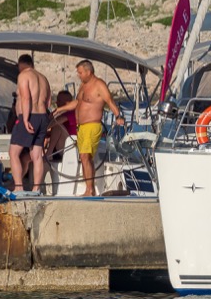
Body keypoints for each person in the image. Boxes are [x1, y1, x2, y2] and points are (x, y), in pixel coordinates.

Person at [52, 60, 125, 197]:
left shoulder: (99, 85)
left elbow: (110, 101)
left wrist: (118, 116)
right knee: (84, 157)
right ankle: (89, 189)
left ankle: (90, 190)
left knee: (85, 156)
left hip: (92, 126)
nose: (78, 75)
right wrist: (60, 109)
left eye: (80, 72)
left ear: (88, 72)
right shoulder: (83, 85)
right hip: (81, 128)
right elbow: (77, 103)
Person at [9, 54, 52, 194]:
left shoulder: (24, 76)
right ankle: (36, 189)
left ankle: (18, 187)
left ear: (21, 64)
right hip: (43, 117)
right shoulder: (43, 78)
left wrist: (25, 119)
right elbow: (48, 102)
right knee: (37, 155)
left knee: (13, 152)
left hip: (30, 116)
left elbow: (26, 98)